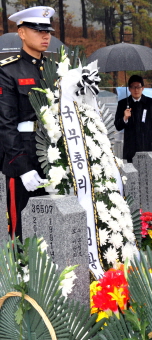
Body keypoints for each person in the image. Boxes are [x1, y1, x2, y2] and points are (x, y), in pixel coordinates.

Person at [0, 6, 56, 240]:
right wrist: (22, 167)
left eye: (48, 30)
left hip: (52, 157)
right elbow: (5, 123)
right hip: (23, 157)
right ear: (22, 33)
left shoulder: (55, 70)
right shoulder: (9, 70)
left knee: (53, 226)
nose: (45, 35)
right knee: (22, 229)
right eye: (37, 30)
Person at [114, 75, 152, 163]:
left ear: (143, 88)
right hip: (130, 147)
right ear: (129, 89)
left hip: (147, 145)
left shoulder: (150, 103)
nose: (136, 90)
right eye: (133, 87)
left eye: (138, 87)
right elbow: (118, 126)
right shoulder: (123, 104)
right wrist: (125, 117)